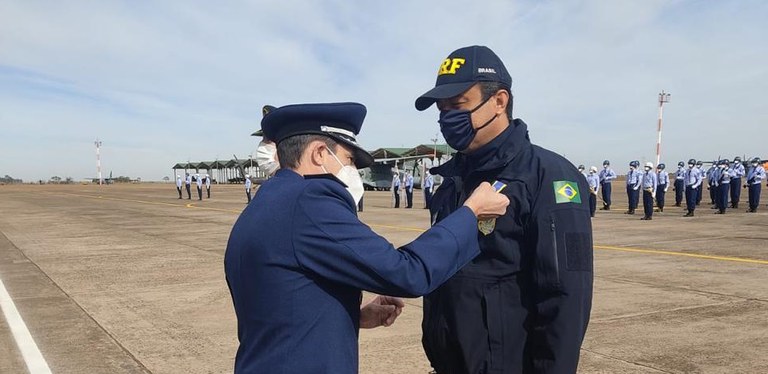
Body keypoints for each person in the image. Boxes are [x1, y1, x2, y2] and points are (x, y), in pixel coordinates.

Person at [224, 102, 510, 373]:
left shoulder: (267, 202)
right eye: (348, 159)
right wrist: (471, 215)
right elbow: (408, 272)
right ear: (319, 153)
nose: (352, 172)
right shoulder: (309, 202)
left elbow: (280, 305)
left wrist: (351, 315)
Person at [415, 45, 593, 374]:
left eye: (458, 105)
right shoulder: (454, 178)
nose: (446, 118)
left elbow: (566, 301)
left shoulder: (549, 177)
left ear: (499, 101)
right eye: (441, 109)